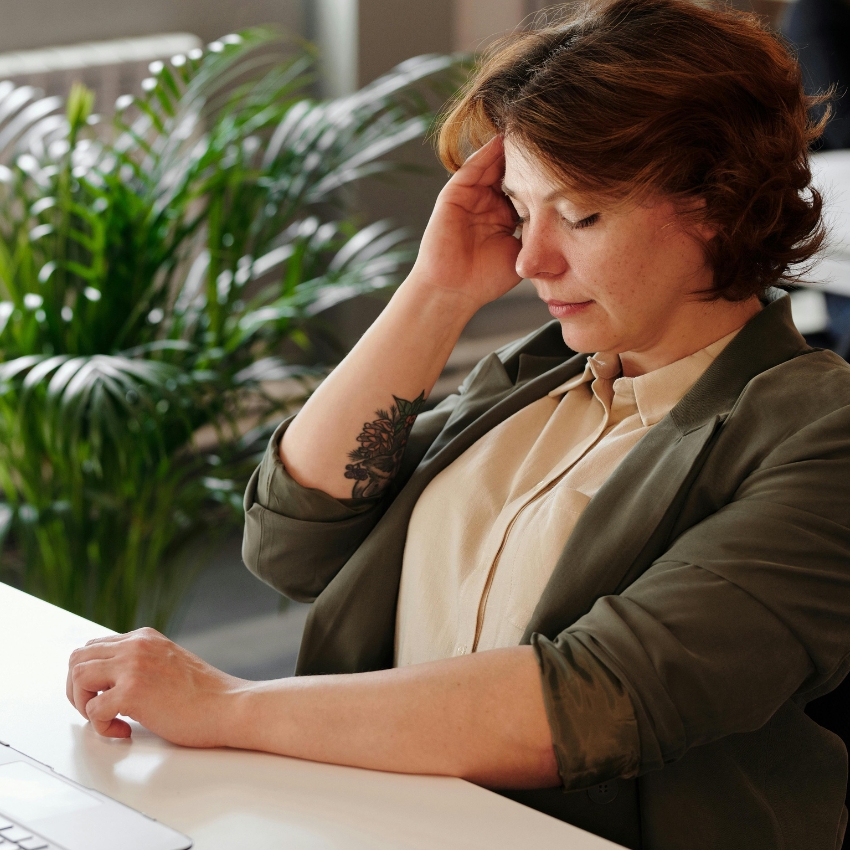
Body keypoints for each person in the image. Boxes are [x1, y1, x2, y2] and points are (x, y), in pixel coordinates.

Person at [65, 0, 850, 847]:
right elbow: (294, 543)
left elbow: (598, 698)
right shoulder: (534, 378)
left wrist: (223, 707)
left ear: (717, 202)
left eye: (580, 214)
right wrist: (433, 292)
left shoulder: (817, 432)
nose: (529, 260)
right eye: (521, 208)